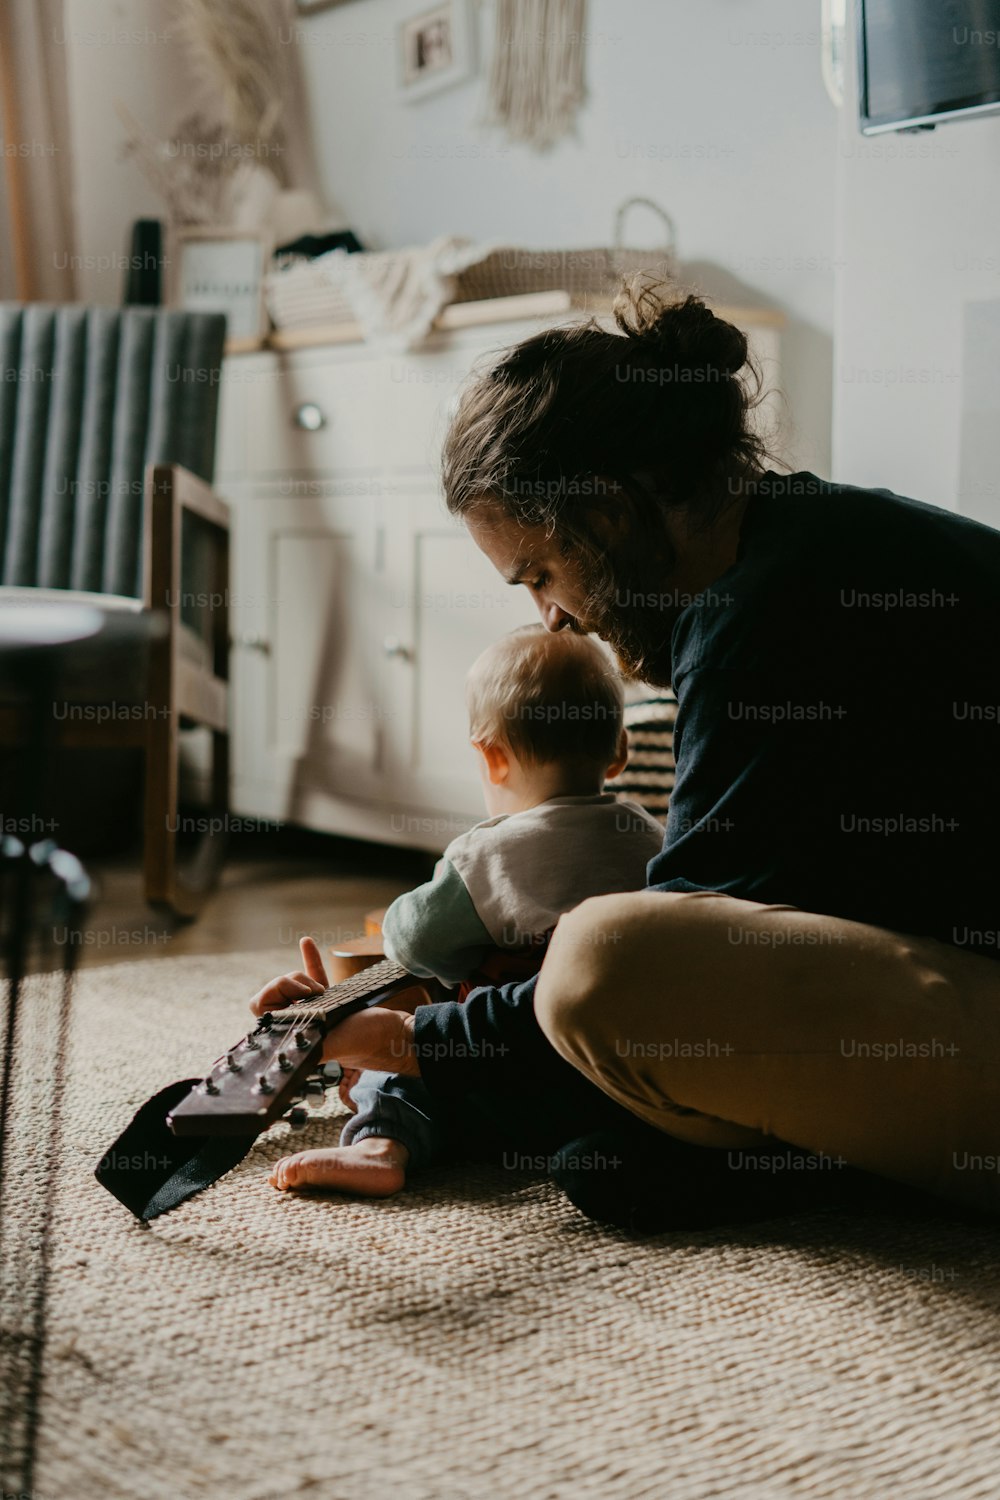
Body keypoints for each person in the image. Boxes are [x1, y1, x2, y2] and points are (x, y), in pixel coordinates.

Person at [253, 277, 1000, 1233]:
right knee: (611, 1146)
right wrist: (413, 990)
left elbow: (686, 946)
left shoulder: (766, 611)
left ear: (606, 512)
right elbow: (793, 919)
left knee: (608, 959)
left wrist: (408, 1040)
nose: (551, 618)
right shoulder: (804, 549)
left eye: (540, 575)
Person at [257, 624, 664, 1197]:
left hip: (500, 1083)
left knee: (404, 1066)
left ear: (492, 758)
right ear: (620, 749)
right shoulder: (650, 837)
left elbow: (412, 941)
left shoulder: (490, 854)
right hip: (615, 1091)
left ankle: (381, 1144)